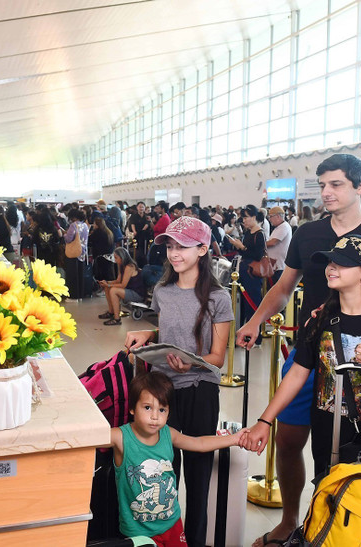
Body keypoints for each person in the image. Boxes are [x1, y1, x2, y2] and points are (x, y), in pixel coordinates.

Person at [237, 154, 361, 547]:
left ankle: (349, 527)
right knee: (291, 440)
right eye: (322, 185)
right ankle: (291, 520)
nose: (326, 193)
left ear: (360, 186)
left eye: (335, 184)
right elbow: (283, 288)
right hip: (311, 348)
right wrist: (255, 320)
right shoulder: (308, 233)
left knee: (357, 446)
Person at [245, 235, 361, 483]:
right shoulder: (321, 318)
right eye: (331, 261)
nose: (332, 268)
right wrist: (265, 421)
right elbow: (298, 373)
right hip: (324, 435)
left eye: (342, 263)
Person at [125, 216, 233, 547]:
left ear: (202, 249)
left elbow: (218, 357)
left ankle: (196, 540)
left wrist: (190, 363)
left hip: (200, 392)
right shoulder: (162, 292)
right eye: (170, 247)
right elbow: (169, 332)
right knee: (161, 475)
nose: (174, 254)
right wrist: (148, 334)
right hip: (163, 392)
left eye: (182, 247)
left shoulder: (218, 297)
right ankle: (166, 539)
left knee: (198, 477)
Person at [110, 372, 247, 546]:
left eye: (162, 409)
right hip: (138, 532)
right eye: (147, 408)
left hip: (172, 524)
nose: (155, 416)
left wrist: (234, 439)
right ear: (132, 408)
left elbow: (200, 442)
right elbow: (88, 436)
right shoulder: (120, 437)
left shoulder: (169, 434)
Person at [228, 204, 267, 345]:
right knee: (245, 304)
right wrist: (239, 246)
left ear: (254, 217)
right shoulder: (249, 233)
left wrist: (242, 247)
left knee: (253, 303)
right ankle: (245, 333)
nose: (243, 220)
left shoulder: (259, 234)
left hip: (253, 273)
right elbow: (245, 252)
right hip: (245, 271)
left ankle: (256, 337)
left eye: (246, 217)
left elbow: (257, 255)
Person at [98, 247, 145, 325]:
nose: (115, 260)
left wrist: (109, 285)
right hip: (129, 290)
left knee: (113, 290)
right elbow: (118, 281)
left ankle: (117, 319)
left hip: (137, 293)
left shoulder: (129, 266)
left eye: (116, 258)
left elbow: (123, 285)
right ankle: (111, 312)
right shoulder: (121, 265)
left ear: (122, 257)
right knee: (107, 288)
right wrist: (107, 283)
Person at [63, 208, 89, 299]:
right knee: (80, 275)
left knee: (72, 276)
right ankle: (80, 295)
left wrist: (65, 234)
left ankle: (73, 297)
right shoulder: (85, 225)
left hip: (73, 253)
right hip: (82, 253)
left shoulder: (74, 226)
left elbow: (68, 239)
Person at [266, 206, 292, 284]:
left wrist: (259, 244)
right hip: (274, 265)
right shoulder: (279, 227)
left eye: (271, 217)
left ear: (278, 216)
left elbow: (273, 242)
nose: (269, 219)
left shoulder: (284, 227)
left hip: (279, 265)